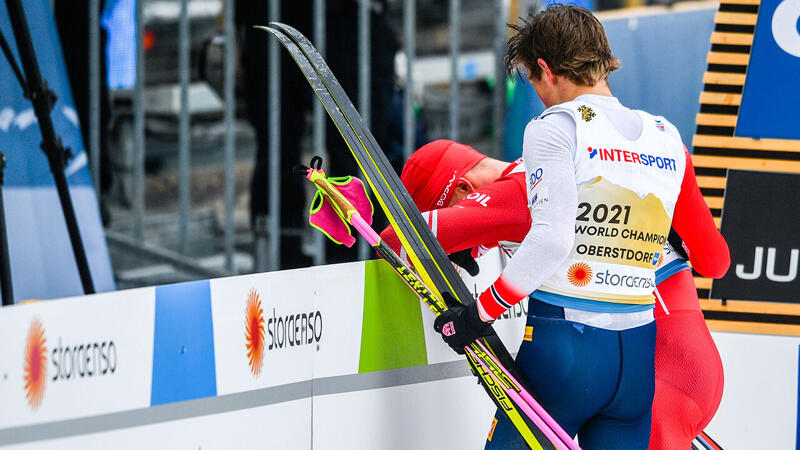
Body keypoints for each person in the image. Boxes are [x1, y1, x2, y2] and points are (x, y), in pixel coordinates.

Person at [384, 6, 717, 447]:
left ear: (545, 69)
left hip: (591, 348)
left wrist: (478, 311)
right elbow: (716, 260)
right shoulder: (662, 136)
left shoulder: (541, 153)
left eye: (533, 81)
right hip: (662, 357)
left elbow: (401, 238)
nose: (539, 95)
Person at [381, 139, 729, 448]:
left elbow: (399, 237)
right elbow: (715, 263)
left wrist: (453, 239)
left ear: (463, 188)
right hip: (680, 361)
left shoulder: (519, 190)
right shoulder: (579, 164)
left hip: (656, 369)